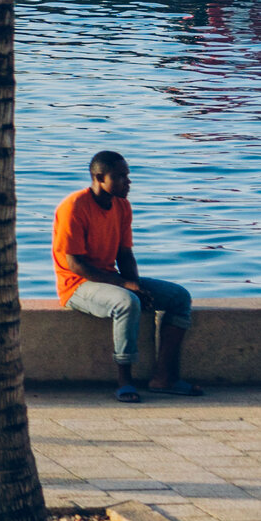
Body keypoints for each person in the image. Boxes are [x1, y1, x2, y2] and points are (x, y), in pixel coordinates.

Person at [55, 151, 198, 402]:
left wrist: (136, 285)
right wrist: (126, 286)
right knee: (126, 302)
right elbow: (75, 264)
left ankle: (164, 378)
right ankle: (125, 380)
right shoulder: (74, 206)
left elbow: (125, 254)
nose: (128, 182)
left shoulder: (122, 205)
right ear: (100, 177)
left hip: (110, 278)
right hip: (77, 285)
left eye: (128, 176)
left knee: (179, 297)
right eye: (120, 177)